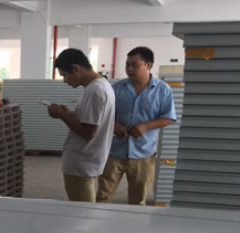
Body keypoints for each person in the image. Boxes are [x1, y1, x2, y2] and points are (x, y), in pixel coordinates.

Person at [97, 47, 176, 205]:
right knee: (103, 196)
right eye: (127, 65)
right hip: (114, 151)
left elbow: (169, 117)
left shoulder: (162, 90)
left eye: (134, 65)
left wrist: (146, 126)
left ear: (148, 65)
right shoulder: (117, 88)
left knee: (138, 200)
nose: (129, 69)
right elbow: (105, 113)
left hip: (143, 154)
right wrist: (115, 126)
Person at [47, 48, 115, 202]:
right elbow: (94, 120)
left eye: (64, 75)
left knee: (83, 212)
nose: (65, 80)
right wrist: (71, 114)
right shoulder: (101, 85)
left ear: (76, 68)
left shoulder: (94, 91)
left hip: (82, 164)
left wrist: (62, 115)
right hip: (89, 161)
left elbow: (88, 133)